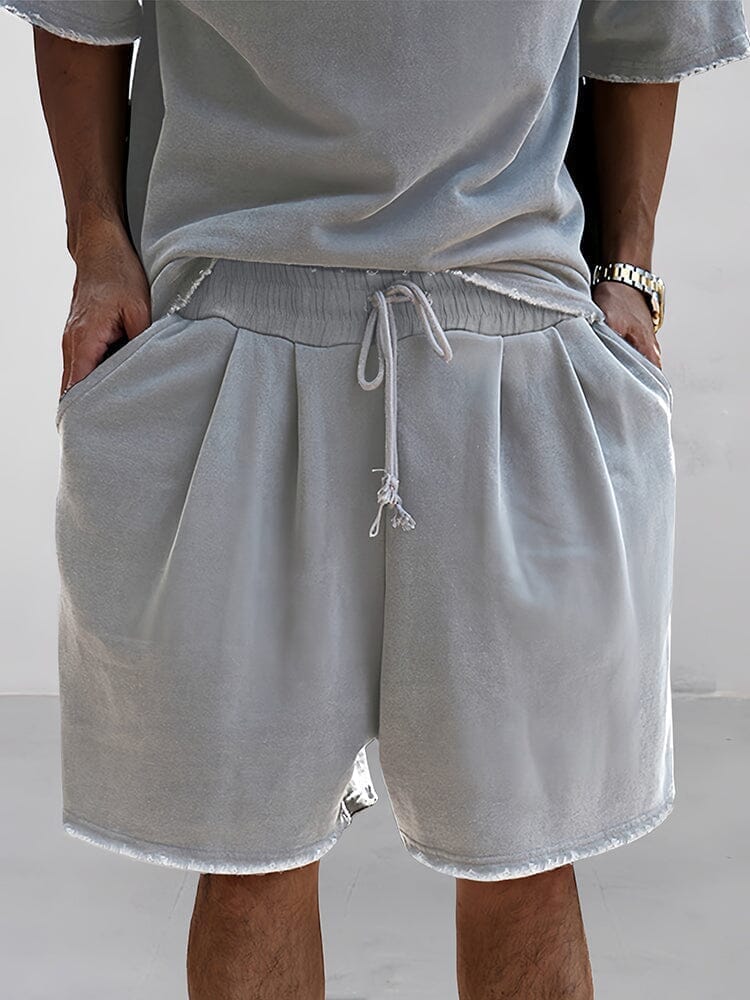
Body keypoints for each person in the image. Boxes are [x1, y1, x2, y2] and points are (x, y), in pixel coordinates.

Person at [4, 1, 748, 997]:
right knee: (249, 858)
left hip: (511, 320)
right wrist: (97, 245)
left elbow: (645, 20)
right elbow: (80, 10)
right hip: (230, 310)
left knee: (526, 855)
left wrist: (628, 268)